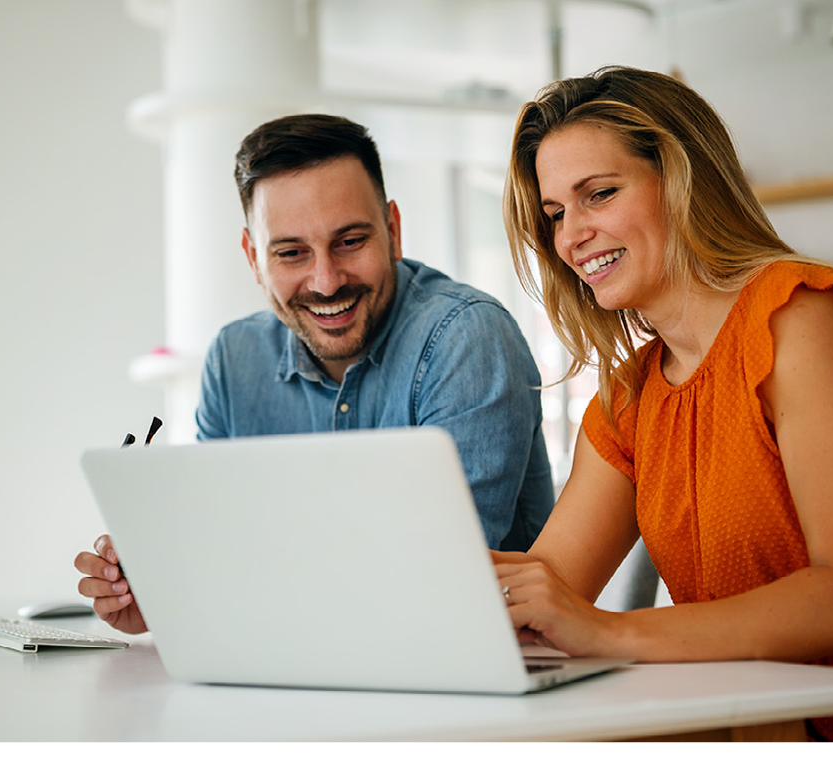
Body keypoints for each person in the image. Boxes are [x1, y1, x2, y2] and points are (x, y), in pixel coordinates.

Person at [496, 66, 833, 743]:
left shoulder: (803, 322)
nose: (572, 236)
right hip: (757, 715)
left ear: (685, 181)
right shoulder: (632, 394)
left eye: (598, 194)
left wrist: (609, 630)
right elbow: (550, 581)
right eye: (556, 214)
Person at [76, 113, 554, 635]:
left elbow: (443, 583)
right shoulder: (234, 359)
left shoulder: (467, 339)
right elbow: (218, 548)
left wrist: (223, 585)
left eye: (350, 241)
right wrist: (167, 594)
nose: (325, 282)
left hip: (470, 676)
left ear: (393, 232)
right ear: (253, 257)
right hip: (297, 670)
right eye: (291, 252)